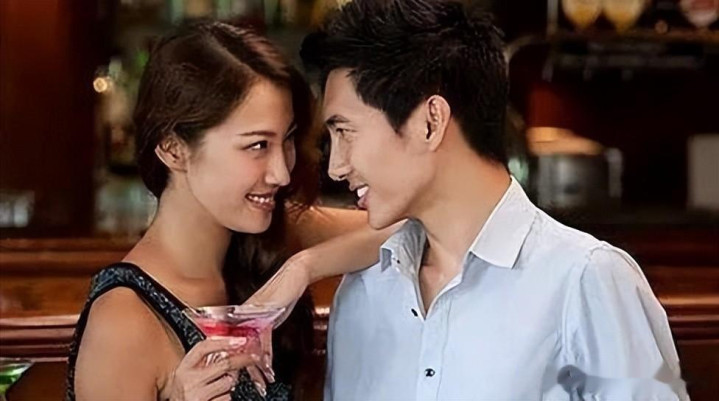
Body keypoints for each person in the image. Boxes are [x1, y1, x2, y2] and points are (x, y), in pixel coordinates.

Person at [252, 1, 690, 400]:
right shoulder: (364, 292)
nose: (336, 167)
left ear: (431, 121)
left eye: (345, 132)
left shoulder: (585, 280)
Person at [66, 21, 388, 401]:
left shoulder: (278, 234)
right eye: (257, 146)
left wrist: (304, 268)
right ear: (173, 149)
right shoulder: (123, 321)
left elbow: (416, 224)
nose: (282, 173)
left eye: (286, 140)